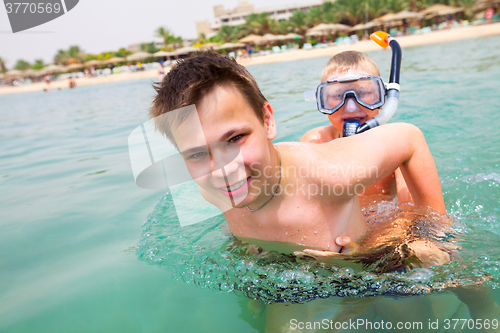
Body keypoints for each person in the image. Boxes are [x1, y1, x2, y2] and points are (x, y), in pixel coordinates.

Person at [150, 52, 499, 332]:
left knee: (418, 303)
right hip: (305, 277)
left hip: (382, 264)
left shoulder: (329, 172)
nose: (223, 167)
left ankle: (483, 305)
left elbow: (409, 137)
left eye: (235, 139)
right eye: (197, 154)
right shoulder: (215, 188)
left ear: (267, 120)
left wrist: (436, 232)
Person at [301, 51, 412, 205]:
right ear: (322, 100)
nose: (351, 108)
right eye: (337, 96)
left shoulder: (396, 146)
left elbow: (410, 210)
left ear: (383, 95)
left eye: (365, 93)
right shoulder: (316, 142)